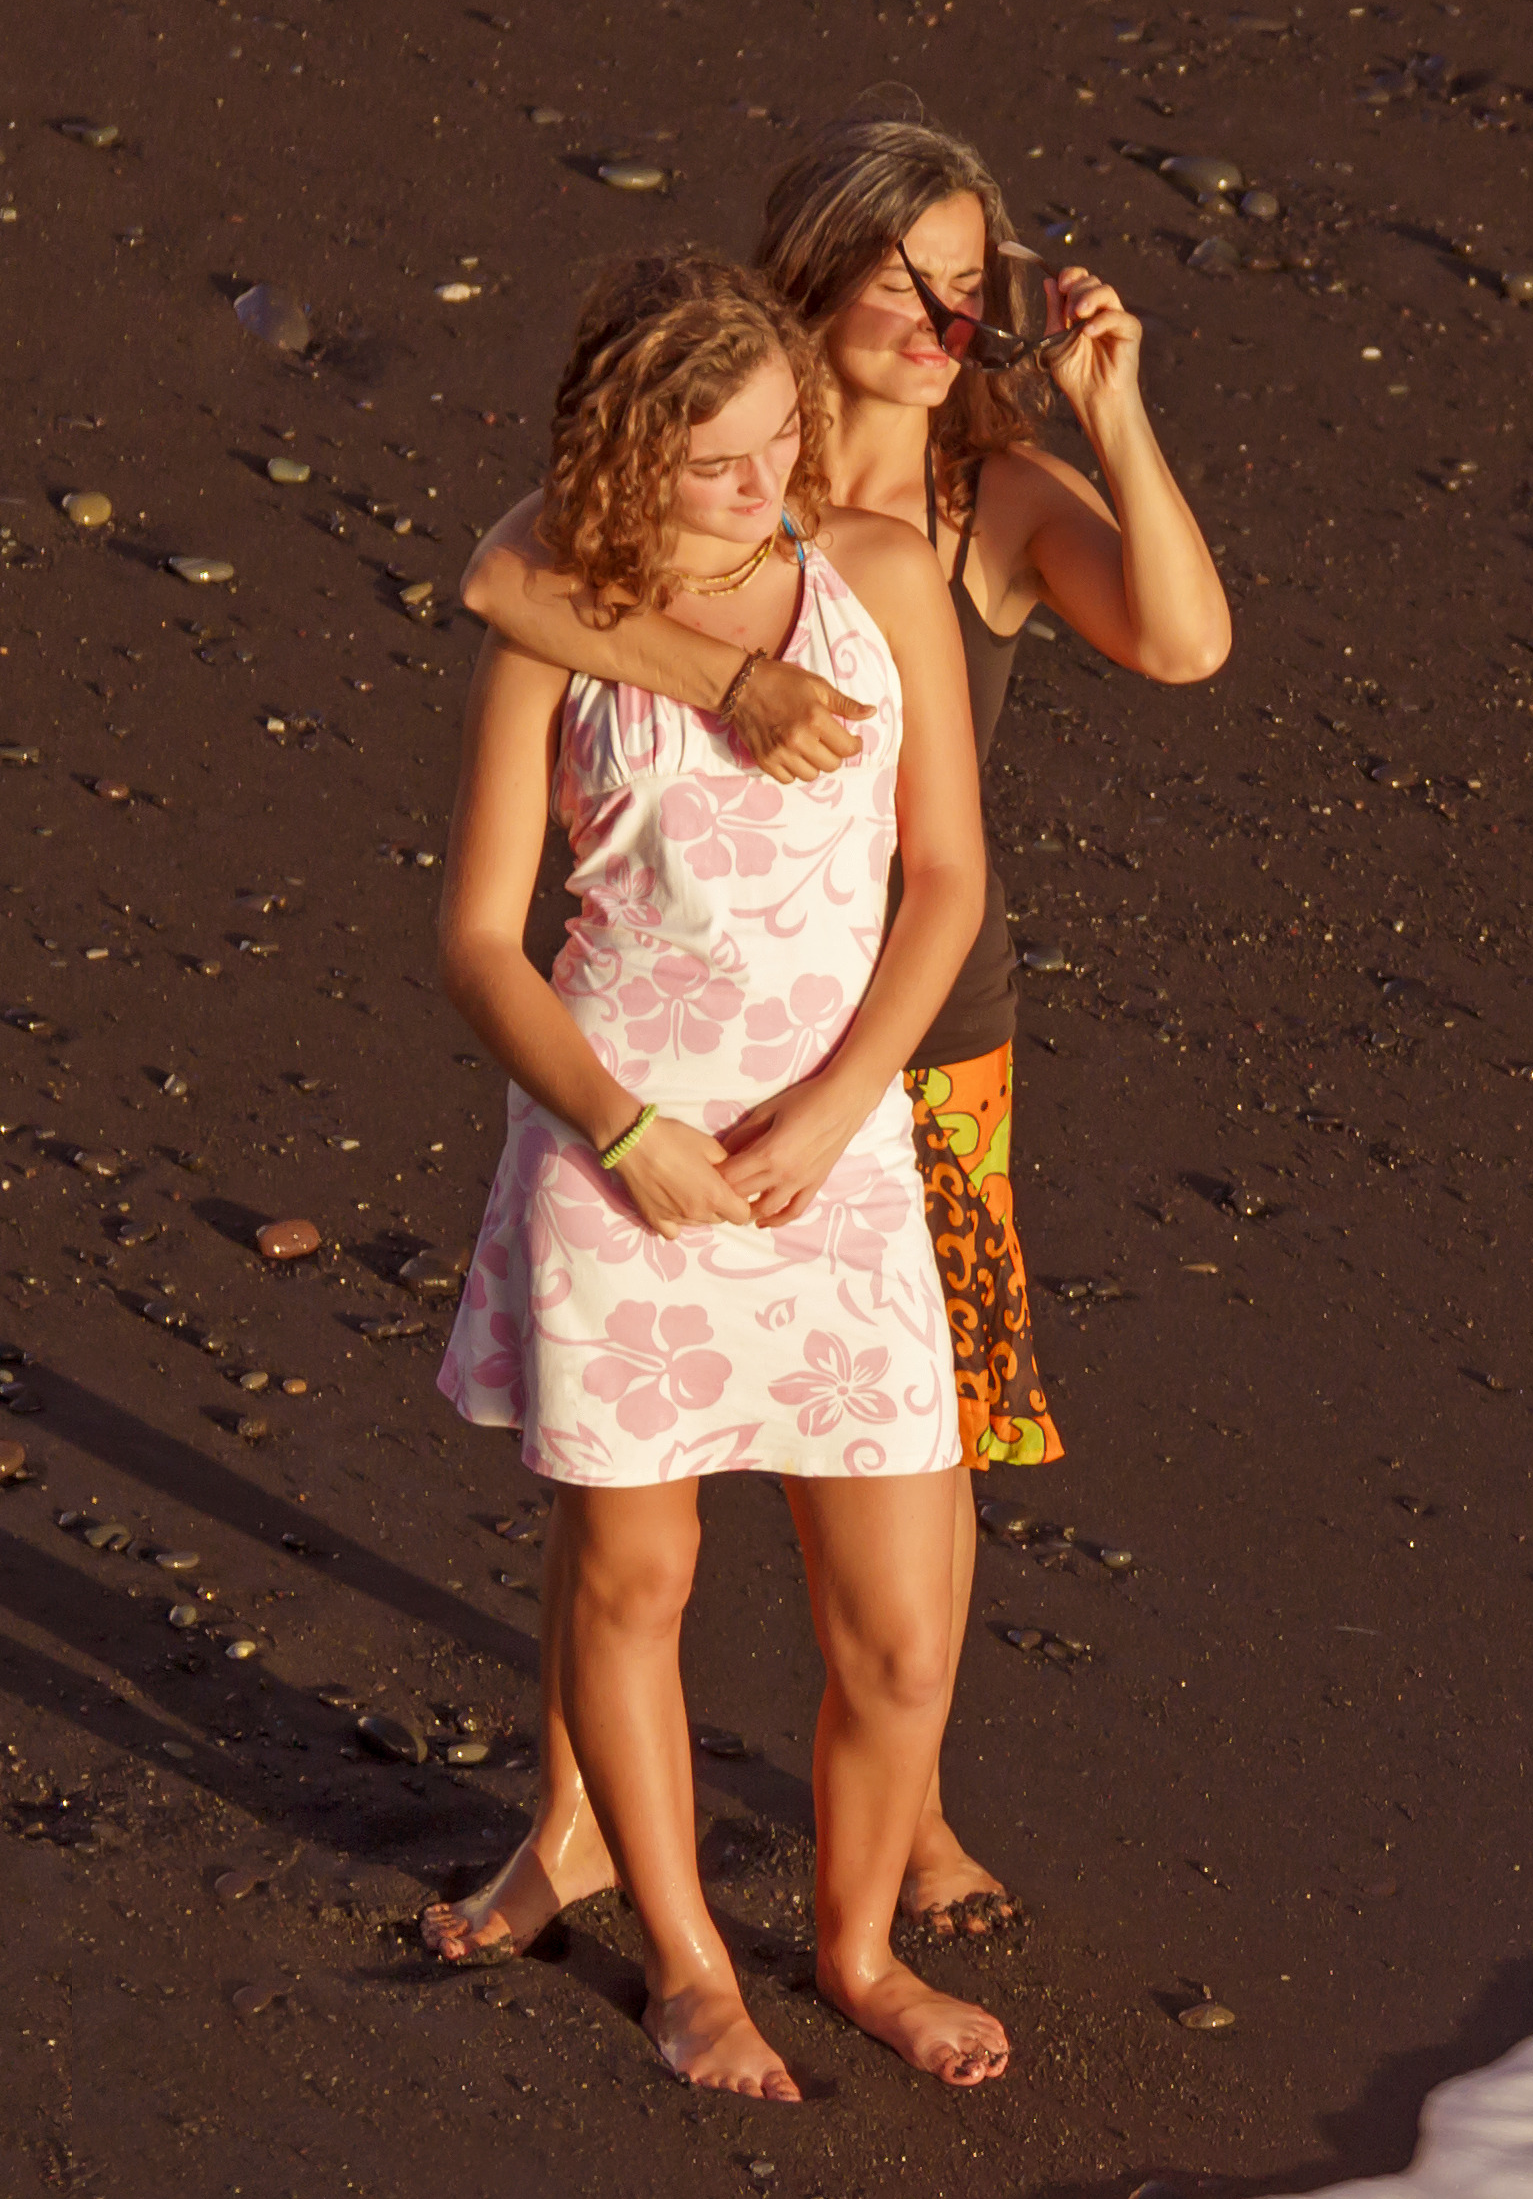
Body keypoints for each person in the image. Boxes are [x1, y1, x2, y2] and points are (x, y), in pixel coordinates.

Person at [436, 111, 1232, 1964]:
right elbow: (508, 578)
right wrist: (724, 671)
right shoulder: (677, 489)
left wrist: (1114, 409)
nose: (949, 315)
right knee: (627, 1490)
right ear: (809, 285)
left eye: (975, 281)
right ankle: (569, 1819)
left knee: (916, 1441)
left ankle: (913, 1804)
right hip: (681, 1047)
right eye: (909, 279)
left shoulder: (985, 503)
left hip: (930, 1045)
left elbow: (1185, 646)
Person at [429, 250, 1004, 2097]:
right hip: (627, 1159)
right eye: (721, 468)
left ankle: (853, 1950)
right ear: (626, 459)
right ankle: (688, 1964)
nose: (772, 494)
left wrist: (847, 1104)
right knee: (637, 1577)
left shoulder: (882, 580)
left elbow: (945, 885)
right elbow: (480, 941)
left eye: (785, 444)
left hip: (838, 1151)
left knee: (904, 1633)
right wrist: (621, 1128)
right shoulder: (557, 631)